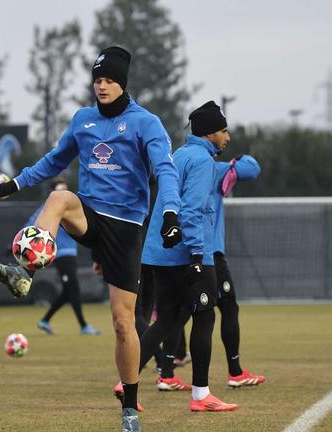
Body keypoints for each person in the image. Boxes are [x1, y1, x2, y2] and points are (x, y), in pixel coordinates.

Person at [0, 46, 182, 432]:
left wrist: (170, 212)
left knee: (124, 323)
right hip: (88, 214)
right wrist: (12, 184)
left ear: (122, 83)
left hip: (125, 228)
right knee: (58, 197)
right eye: (97, 80)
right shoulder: (83, 120)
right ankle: (23, 272)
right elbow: (54, 161)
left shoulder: (146, 123)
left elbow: (165, 171)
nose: (102, 86)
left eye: (109, 80)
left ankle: (130, 407)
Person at [128, 101, 239, 411]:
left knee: (168, 320)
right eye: (223, 130)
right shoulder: (202, 161)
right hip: (187, 253)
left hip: (159, 253)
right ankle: (201, 395)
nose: (227, 137)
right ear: (209, 133)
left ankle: (127, 381)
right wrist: (195, 255)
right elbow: (191, 211)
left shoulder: (177, 155)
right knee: (206, 316)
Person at [212, 152, 266, 387]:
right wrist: (239, 158)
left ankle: (163, 371)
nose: (227, 137)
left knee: (176, 315)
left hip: (181, 250)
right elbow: (252, 168)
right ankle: (235, 372)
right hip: (208, 252)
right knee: (228, 307)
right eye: (223, 131)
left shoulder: (180, 161)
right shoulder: (212, 167)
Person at [34, 177, 101, 336]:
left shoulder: (70, 206)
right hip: (60, 255)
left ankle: (45, 320)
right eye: (59, 190)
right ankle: (84, 326)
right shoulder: (47, 209)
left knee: (67, 292)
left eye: (65, 189)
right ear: (52, 192)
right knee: (74, 289)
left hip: (71, 254)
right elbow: (32, 225)